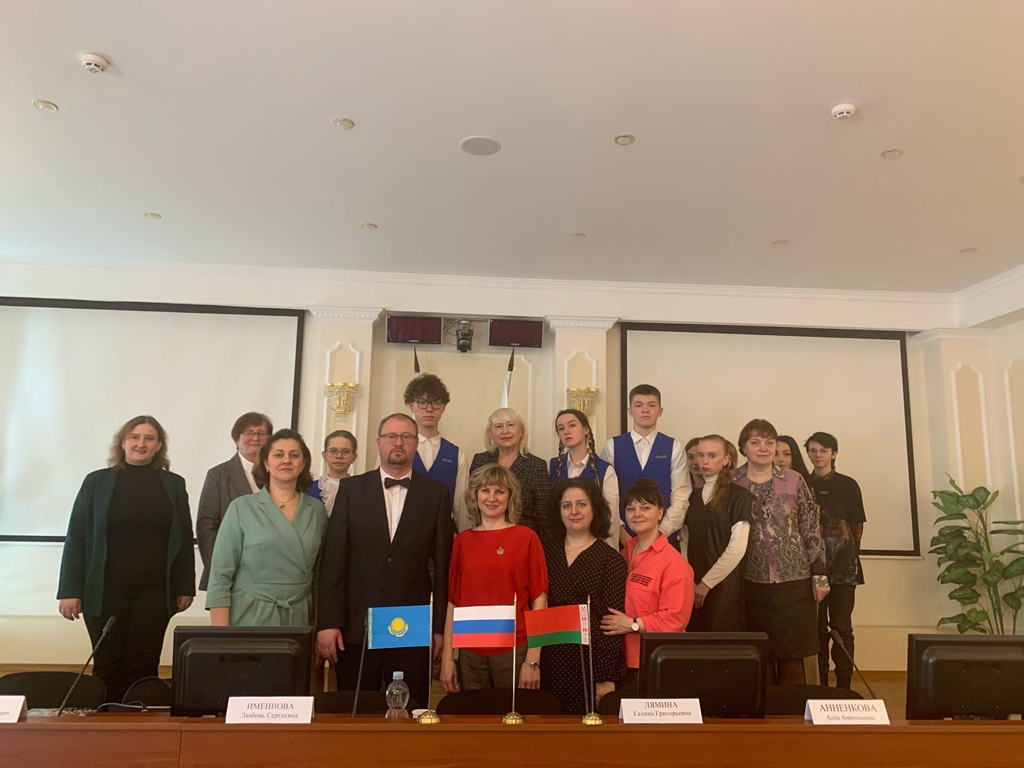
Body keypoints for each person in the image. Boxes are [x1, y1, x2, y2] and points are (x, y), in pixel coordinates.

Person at [317, 414, 454, 708]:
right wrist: (328, 623)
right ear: (379, 442)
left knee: (411, 709)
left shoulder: (436, 494)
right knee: (355, 709)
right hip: (356, 626)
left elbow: (443, 567)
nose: (398, 443)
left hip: (412, 627)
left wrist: (439, 629)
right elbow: (333, 561)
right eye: (391, 436)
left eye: (406, 437)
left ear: (416, 444)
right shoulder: (351, 489)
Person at [57, 415, 195, 703]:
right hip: (104, 590)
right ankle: (106, 726)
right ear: (122, 442)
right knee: (107, 665)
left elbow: (184, 538)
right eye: (134, 437)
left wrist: (185, 587)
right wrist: (69, 591)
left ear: (159, 446)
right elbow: (76, 537)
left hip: (155, 592)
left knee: (144, 668)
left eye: (149, 438)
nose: (141, 444)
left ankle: (139, 726)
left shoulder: (173, 484)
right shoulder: (96, 482)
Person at [734, 419, 828, 685]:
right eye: (755, 442)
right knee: (758, 657)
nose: (763, 448)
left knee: (792, 658)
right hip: (750, 582)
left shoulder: (794, 479)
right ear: (743, 448)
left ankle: (792, 710)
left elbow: (811, 527)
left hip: (794, 582)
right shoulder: (731, 481)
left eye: (769, 442)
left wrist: (820, 575)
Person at [441, 464, 548, 693]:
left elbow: (540, 600)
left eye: (499, 491)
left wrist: (533, 658)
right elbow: (453, 603)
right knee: (475, 716)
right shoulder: (462, 542)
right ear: (475, 495)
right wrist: (448, 659)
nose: (491, 498)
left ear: (510, 497)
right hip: (470, 654)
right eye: (485, 490)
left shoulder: (527, 538)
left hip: (514, 650)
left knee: (514, 715)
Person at [205, 429, 327, 626]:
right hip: (249, 615)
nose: (286, 460)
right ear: (265, 463)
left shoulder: (317, 510)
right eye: (278, 455)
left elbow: (319, 577)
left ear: (303, 463)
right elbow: (220, 575)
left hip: (299, 617)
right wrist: (221, 634)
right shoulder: (241, 507)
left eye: (294, 455)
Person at [540, 479, 625, 714]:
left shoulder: (611, 559)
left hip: (590, 664)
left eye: (581, 504)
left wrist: (605, 677)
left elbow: (611, 624)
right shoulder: (544, 552)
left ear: (595, 509)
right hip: (547, 662)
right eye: (566, 505)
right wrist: (532, 661)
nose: (574, 511)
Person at [601, 479, 694, 694]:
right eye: (630, 509)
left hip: (654, 661)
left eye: (645, 508)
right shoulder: (623, 554)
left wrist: (633, 624)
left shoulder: (674, 564)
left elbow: (675, 619)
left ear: (660, 513)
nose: (637, 514)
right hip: (620, 660)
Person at [804, 431, 866, 689]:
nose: (818, 455)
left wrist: (848, 557)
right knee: (816, 630)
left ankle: (843, 685)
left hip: (843, 569)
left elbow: (857, 524)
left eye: (823, 450)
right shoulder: (801, 483)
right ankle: (820, 684)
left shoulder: (848, 485)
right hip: (811, 570)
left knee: (841, 628)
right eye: (813, 450)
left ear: (834, 453)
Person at [599, 384, 691, 549]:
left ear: (660, 411)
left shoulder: (674, 447)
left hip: (664, 539)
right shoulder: (612, 447)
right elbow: (606, 499)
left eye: (651, 405)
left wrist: (660, 534)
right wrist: (623, 535)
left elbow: (681, 496)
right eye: (639, 405)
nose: (645, 410)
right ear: (630, 411)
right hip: (622, 540)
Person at [195, 412, 273, 590]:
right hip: (232, 572)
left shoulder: (279, 474)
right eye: (249, 433)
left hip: (273, 572)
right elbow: (207, 526)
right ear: (236, 439)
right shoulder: (218, 475)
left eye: (261, 433)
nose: (255, 438)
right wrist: (221, 570)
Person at [685, 435, 752, 632]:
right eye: (700, 455)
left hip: (724, 585)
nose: (704, 461)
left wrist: (707, 583)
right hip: (693, 582)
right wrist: (688, 579)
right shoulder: (692, 497)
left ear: (726, 460)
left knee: (720, 639)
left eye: (712, 456)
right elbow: (685, 541)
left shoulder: (739, 496)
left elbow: (737, 548)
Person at [470, 408, 551, 544]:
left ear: (522, 431)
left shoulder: (536, 465)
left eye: (511, 425)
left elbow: (544, 516)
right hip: (485, 537)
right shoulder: (480, 461)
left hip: (522, 541)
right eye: (499, 426)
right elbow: (472, 502)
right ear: (490, 433)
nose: (505, 431)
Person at [403, 374, 469, 532]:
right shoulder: (396, 449)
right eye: (422, 402)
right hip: (402, 532)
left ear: (443, 407)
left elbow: (462, 506)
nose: (429, 408)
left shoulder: (456, 455)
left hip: (443, 533)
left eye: (436, 403)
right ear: (411, 405)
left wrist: (464, 538)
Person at [550, 409, 622, 549]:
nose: (566, 431)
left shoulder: (604, 470)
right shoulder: (552, 466)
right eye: (561, 428)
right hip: (560, 545)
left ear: (585, 430)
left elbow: (611, 517)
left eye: (572, 425)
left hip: (595, 546)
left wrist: (611, 551)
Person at [308, 430, 357, 516]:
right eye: (333, 451)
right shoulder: (309, 489)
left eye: (346, 451)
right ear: (324, 455)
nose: (339, 456)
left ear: (354, 457)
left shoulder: (360, 490)